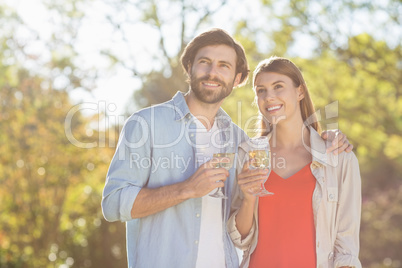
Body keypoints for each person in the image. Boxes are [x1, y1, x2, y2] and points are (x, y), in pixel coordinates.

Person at [101, 29, 352, 268]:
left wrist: (325, 138)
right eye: (204, 62)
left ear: (237, 79)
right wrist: (186, 189)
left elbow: (244, 227)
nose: (213, 72)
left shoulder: (240, 142)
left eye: (224, 66)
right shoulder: (147, 124)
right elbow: (112, 204)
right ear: (189, 67)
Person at [228, 56, 362, 268]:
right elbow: (240, 239)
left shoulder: (339, 158)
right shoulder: (247, 155)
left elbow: (346, 247)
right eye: (261, 90)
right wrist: (248, 199)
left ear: (300, 91)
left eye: (278, 86)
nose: (269, 97)